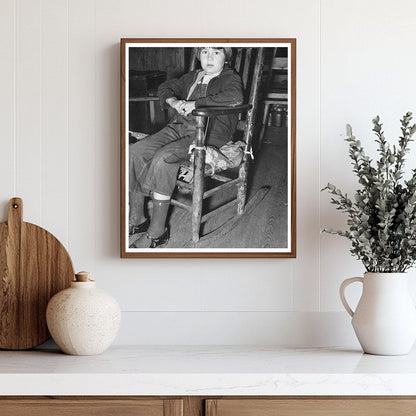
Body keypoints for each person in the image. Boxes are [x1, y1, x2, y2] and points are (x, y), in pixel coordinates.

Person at [129, 46, 243, 248]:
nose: (209, 57)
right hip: (180, 126)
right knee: (135, 152)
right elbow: (165, 87)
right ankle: (137, 218)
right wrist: (173, 101)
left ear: (226, 57)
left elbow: (235, 98)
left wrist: (196, 104)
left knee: (164, 157)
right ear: (199, 55)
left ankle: (157, 232)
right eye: (205, 52)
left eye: (216, 52)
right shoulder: (193, 76)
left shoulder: (230, 78)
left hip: (210, 132)